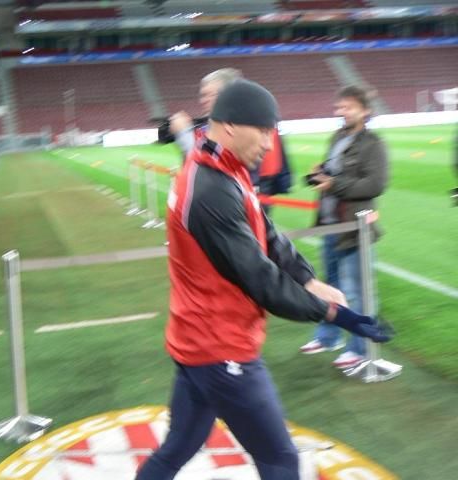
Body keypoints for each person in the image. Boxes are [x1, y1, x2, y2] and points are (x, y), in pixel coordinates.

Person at [135, 79, 391, 480]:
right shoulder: (209, 188)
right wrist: (333, 314)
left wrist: (308, 280)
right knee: (280, 460)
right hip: (221, 350)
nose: (271, 144)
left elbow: (266, 232)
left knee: (176, 450)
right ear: (233, 126)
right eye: (265, 130)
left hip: (198, 343)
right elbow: (261, 280)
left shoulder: (221, 167)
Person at [300, 85, 389, 369]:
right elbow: (332, 174)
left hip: (354, 228)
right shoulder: (337, 137)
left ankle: (360, 347)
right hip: (329, 224)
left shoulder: (373, 143)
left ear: (365, 111)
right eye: (339, 107)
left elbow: (376, 184)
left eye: (348, 107)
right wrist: (319, 176)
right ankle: (328, 338)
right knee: (331, 286)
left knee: (356, 291)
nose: (341, 111)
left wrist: (335, 184)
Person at [168, 68, 292, 214]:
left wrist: (184, 135)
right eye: (203, 95)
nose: (203, 100)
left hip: (242, 204)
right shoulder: (216, 128)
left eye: (210, 95)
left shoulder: (239, 131)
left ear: (228, 96)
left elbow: (203, 180)